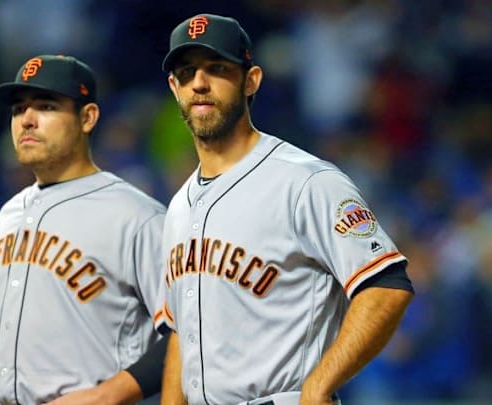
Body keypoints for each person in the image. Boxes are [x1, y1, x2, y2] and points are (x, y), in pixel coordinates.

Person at [154, 14, 415, 405]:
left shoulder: (305, 181)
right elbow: (181, 330)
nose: (200, 83)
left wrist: (320, 384)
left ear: (251, 80)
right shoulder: (177, 207)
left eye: (217, 68)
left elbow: (385, 286)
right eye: (187, 72)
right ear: (175, 88)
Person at [0, 54, 167, 405]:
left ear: (87, 117)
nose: (27, 121)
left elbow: (189, 329)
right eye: (19, 109)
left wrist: (107, 394)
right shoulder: (9, 214)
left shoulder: (135, 216)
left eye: (46, 106)